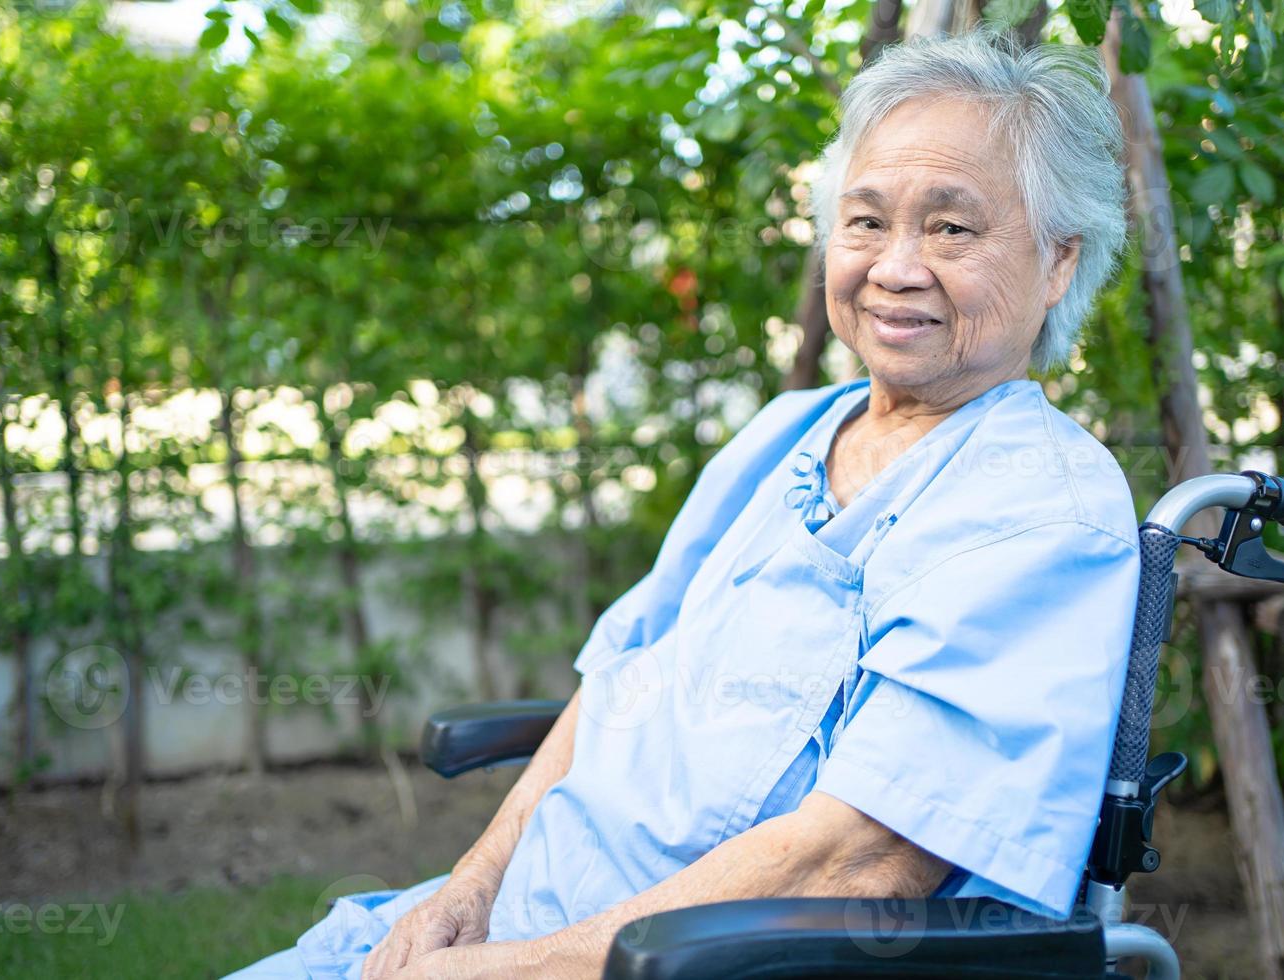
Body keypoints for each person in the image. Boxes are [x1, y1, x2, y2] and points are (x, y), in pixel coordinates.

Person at [230, 26, 1141, 980]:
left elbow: (861, 862)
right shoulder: (785, 434)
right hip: (510, 931)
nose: (895, 265)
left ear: (1058, 263)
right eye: (866, 220)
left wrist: (507, 970)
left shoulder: (1044, 511)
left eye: (952, 228)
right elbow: (615, 679)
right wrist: (467, 891)